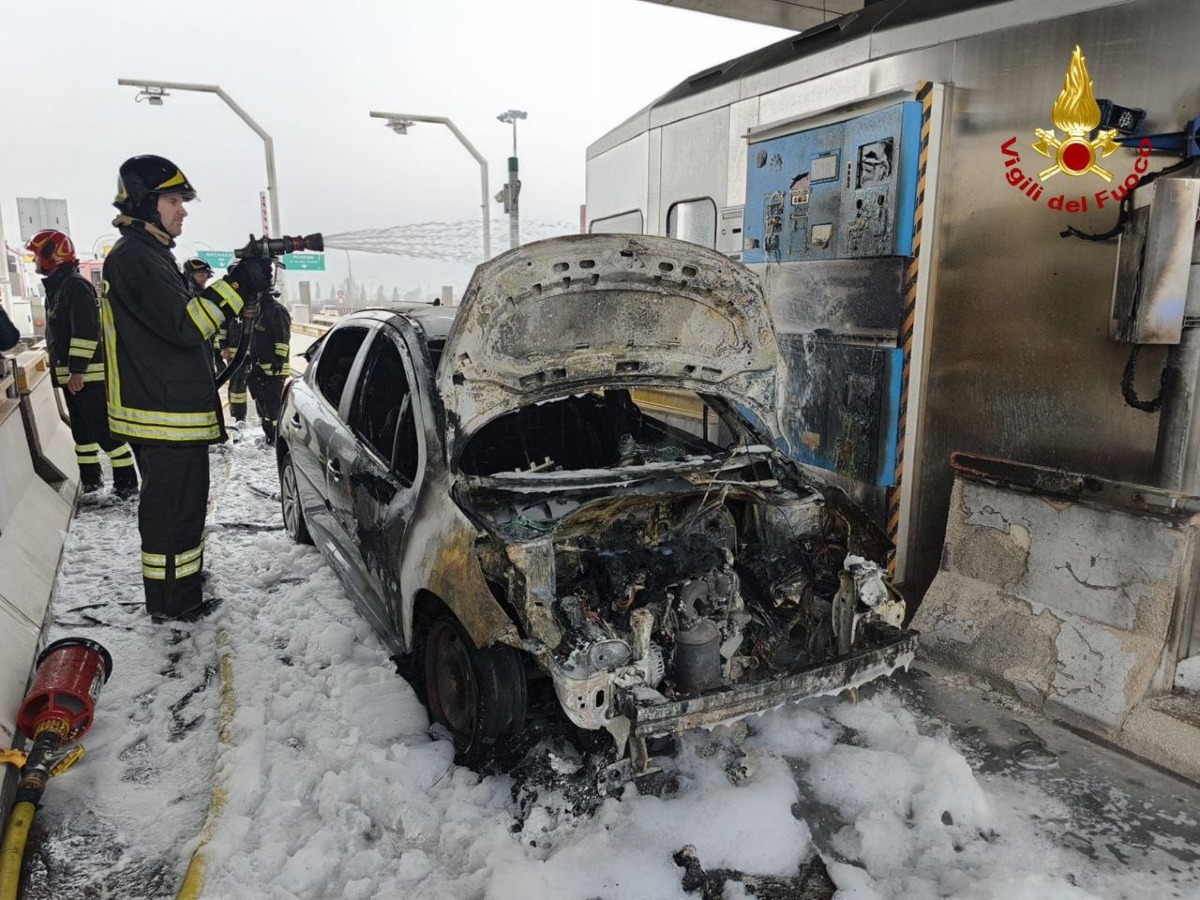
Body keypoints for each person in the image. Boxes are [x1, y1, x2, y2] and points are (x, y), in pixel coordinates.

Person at [101, 155, 273, 622]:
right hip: (164, 416)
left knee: (182, 513)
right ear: (144, 202)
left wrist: (237, 288)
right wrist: (237, 285)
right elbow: (185, 325)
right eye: (174, 200)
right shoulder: (136, 257)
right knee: (171, 517)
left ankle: (182, 590)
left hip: (171, 411)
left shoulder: (150, 255)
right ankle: (173, 605)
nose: (183, 210)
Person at [25, 229, 139, 501]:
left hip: (87, 377)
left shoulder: (75, 286)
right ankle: (91, 482)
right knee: (82, 434)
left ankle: (127, 484)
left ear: (53, 255)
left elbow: (87, 331)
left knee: (104, 432)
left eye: (37, 256)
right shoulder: (58, 288)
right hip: (72, 376)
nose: (34, 262)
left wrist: (78, 370)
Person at [187, 258, 247, 430]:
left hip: (205, 352)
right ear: (190, 275)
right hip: (193, 353)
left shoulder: (204, 296)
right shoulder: (186, 296)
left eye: (206, 275)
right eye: (200, 275)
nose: (204, 279)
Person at [246, 289, 292, 446]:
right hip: (260, 370)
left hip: (274, 369)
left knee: (272, 409)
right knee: (263, 406)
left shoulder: (276, 311)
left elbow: (282, 336)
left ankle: (277, 440)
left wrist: (279, 358)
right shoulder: (260, 312)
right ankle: (269, 437)